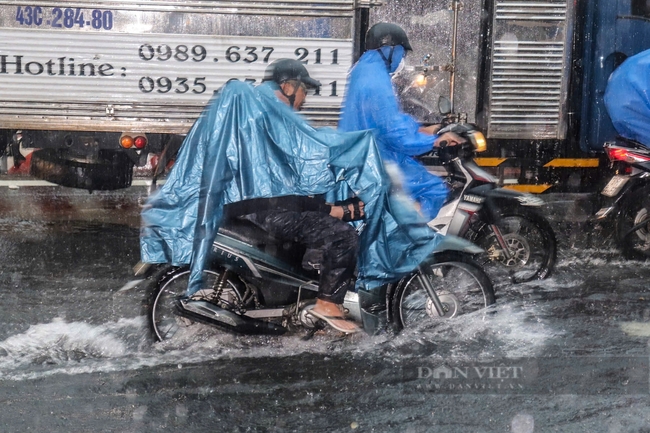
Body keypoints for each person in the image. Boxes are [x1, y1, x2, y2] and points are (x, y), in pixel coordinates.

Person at [239, 59, 364, 334]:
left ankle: (310, 278)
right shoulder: (273, 118)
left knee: (325, 217)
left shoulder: (263, 112)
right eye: (304, 91)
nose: (305, 98)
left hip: (257, 203)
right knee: (343, 236)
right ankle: (327, 304)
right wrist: (332, 209)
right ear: (287, 87)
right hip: (265, 209)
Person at [339, 22, 464, 220]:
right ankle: (410, 241)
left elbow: (386, 120)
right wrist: (434, 141)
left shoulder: (363, 69)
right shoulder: (376, 81)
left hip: (364, 155)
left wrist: (423, 129)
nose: (402, 59)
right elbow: (396, 135)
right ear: (390, 49)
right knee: (433, 190)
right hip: (379, 160)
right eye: (401, 53)